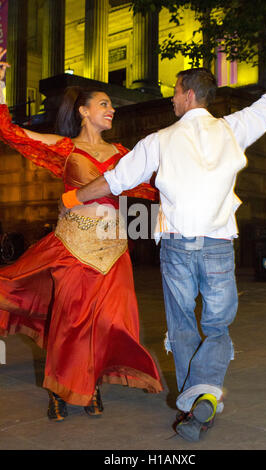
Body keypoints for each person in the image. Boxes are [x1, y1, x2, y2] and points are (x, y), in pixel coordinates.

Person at [60, 25, 266, 441]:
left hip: (176, 248)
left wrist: (70, 200)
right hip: (219, 247)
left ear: (189, 95)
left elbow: (113, 182)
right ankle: (202, 399)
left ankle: (198, 399)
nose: (170, 97)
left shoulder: (160, 139)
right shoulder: (233, 129)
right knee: (219, 329)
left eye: (174, 91)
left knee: (184, 328)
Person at [0, 47, 162, 422]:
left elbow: (155, 185)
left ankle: (92, 385)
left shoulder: (124, 154)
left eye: (112, 105)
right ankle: (60, 390)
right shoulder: (65, 148)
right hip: (73, 245)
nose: (112, 109)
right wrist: (2, 83)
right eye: (104, 103)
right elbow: (10, 132)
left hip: (114, 249)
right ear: (84, 111)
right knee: (69, 322)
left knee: (113, 322)